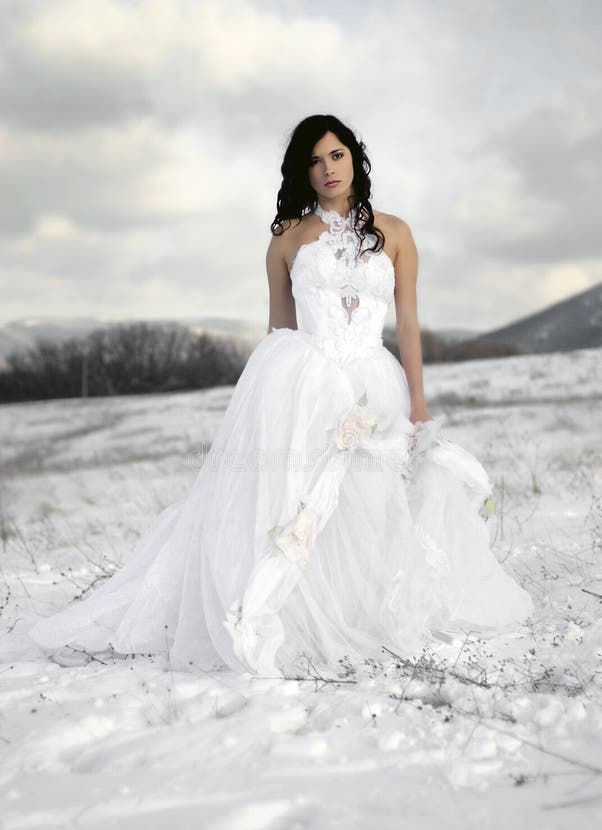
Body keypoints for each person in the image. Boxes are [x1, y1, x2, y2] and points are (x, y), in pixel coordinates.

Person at [28, 114, 533, 678]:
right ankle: (294, 614)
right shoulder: (288, 238)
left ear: (354, 158)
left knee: (369, 501)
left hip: (374, 378)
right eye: (315, 161)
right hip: (304, 382)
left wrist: (417, 402)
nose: (327, 169)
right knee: (296, 498)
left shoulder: (395, 232)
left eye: (336, 155)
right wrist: (276, 401)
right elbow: (280, 328)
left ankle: (361, 609)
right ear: (304, 171)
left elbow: (409, 324)